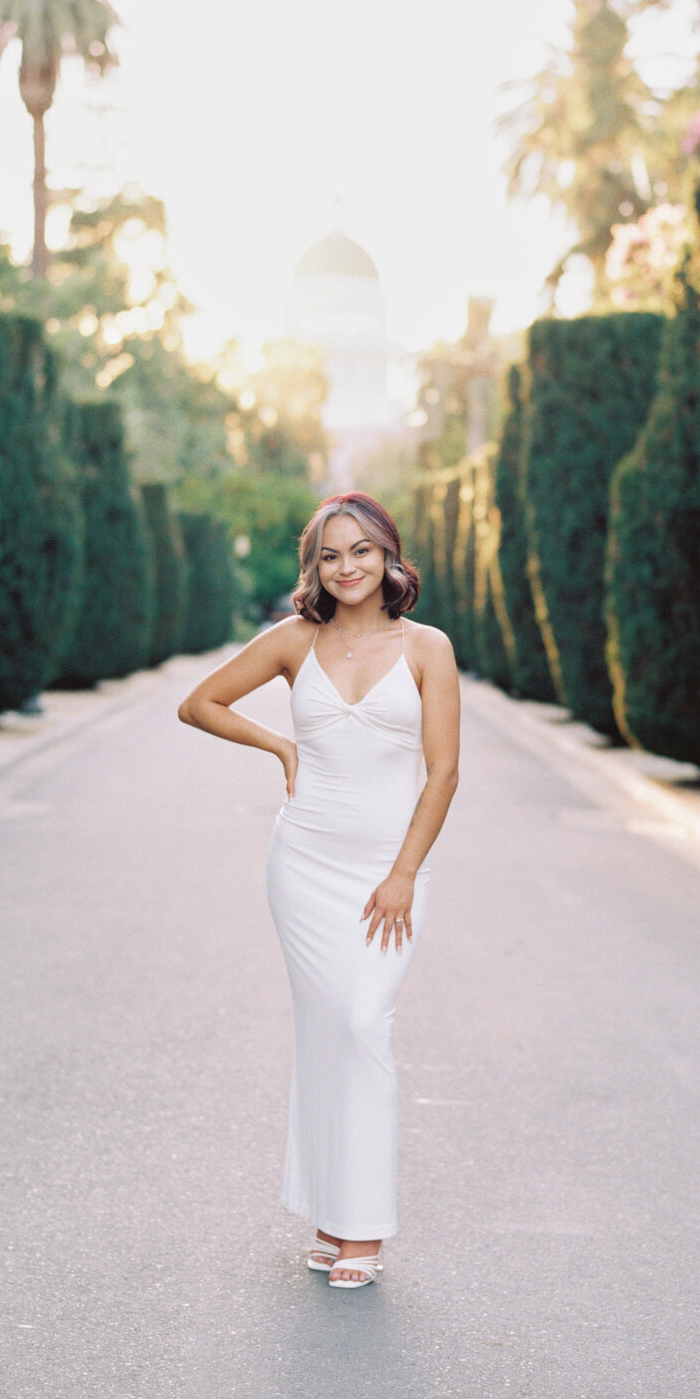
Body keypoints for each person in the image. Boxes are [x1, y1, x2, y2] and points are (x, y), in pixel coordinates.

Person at [178, 492, 460, 1288]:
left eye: (362, 551)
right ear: (316, 567)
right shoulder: (295, 641)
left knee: (364, 1024)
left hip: (388, 871)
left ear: (389, 556)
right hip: (302, 865)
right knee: (328, 1033)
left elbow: (443, 770)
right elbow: (198, 702)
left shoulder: (428, 648)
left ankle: (360, 1227)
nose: (347, 568)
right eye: (330, 555)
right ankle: (335, 1219)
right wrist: (277, 746)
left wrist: (403, 872)